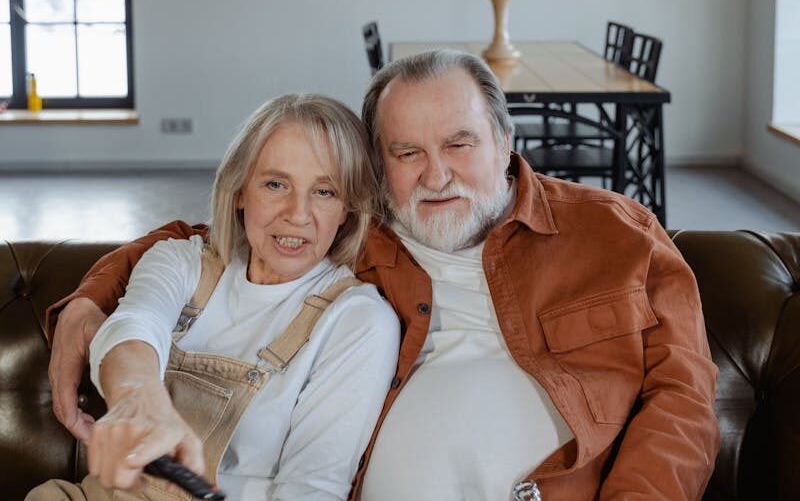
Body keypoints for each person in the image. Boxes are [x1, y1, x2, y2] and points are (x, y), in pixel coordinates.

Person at [46, 50, 720, 501]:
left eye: (459, 143)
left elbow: (683, 400)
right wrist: (88, 300)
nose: (435, 173)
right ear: (377, 170)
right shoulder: (361, 233)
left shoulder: (616, 234)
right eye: (407, 151)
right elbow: (207, 239)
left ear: (506, 143)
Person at [30, 94, 399, 501]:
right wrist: (138, 397)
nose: (298, 213)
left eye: (325, 191)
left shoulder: (358, 319)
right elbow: (135, 325)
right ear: (239, 190)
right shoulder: (182, 260)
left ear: (348, 208)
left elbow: (313, 488)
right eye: (276, 184)